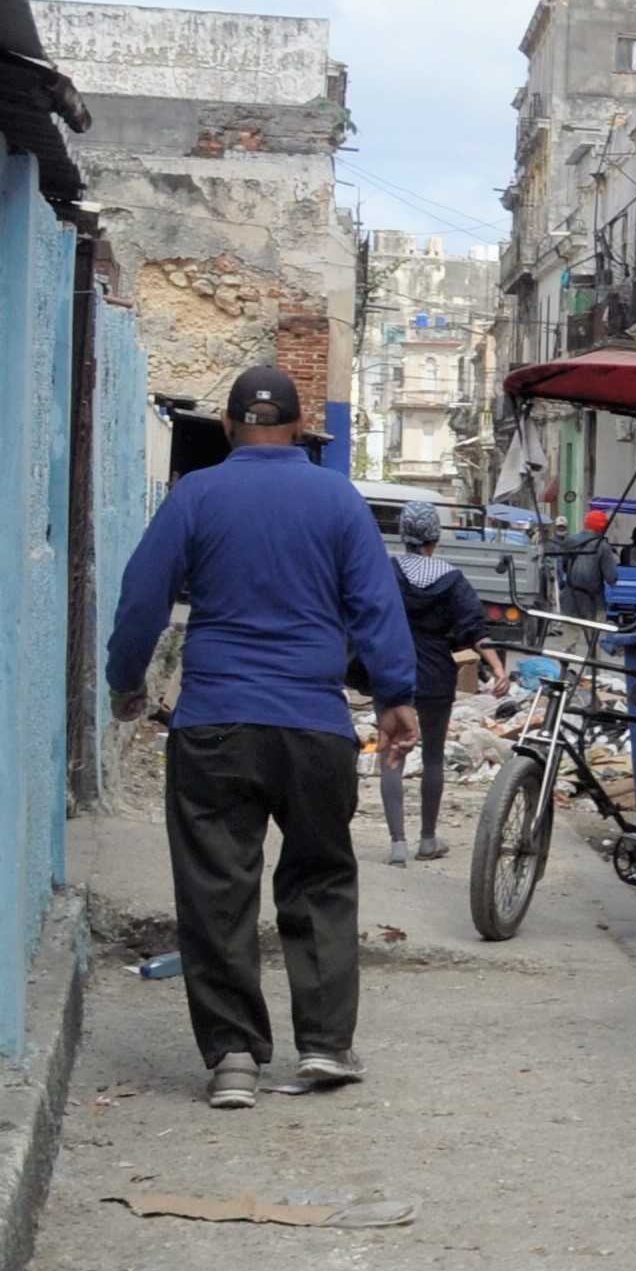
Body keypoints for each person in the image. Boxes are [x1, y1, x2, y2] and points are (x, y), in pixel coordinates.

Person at [107, 365, 416, 1109]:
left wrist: (126, 684)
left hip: (215, 724)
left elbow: (143, 594)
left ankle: (234, 1059)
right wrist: (395, 697)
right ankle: (324, 1045)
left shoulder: (196, 496)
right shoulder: (338, 500)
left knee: (217, 887)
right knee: (320, 878)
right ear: (301, 425)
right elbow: (376, 604)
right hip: (314, 726)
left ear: (227, 423)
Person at [377, 500, 488, 866]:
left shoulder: (387, 570)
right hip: (436, 675)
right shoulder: (452, 578)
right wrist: (498, 669)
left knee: (391, 755)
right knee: (434, 757)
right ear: (435, 538)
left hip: (392, 672)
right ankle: (427, 839)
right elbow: (474, 628)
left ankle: (396, 844)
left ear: (403, 535)